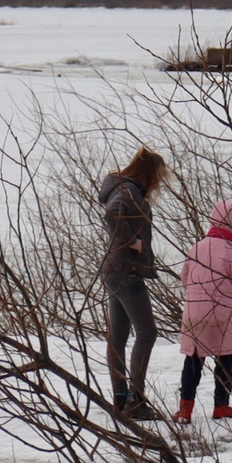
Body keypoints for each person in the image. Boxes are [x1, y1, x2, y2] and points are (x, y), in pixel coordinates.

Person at [97, 147, 166, 418]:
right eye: (159, 174)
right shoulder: (129, 192)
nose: (160, 180)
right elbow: (113, 216)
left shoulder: (122, 188)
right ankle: (136, 402)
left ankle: (121, 399)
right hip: (126, 271)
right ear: (148, 172)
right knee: (147, 334)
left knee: (118, 339)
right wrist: (133, 243)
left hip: (114, 271)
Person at [175, 199, 232, 421]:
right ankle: (221, 406)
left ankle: (185, 409)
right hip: (222, 314)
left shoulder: (196, 248)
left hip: (194, 314)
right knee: (224, 359)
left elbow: (185, 279)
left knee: (193, 360)